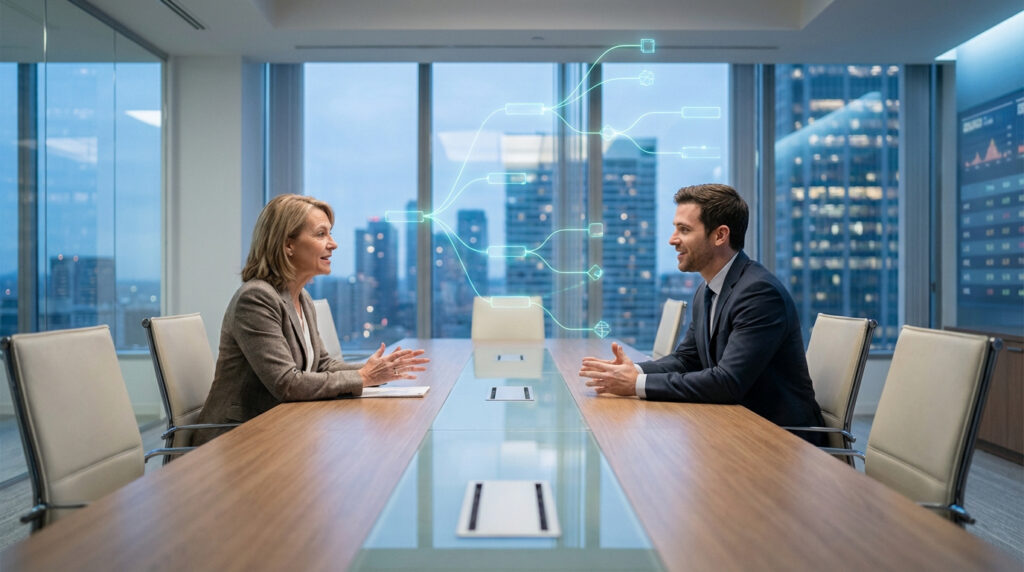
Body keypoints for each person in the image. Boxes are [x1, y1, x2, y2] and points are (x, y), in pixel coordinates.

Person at [578, 183, 825, 444]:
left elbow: (728, 382)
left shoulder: (759, 293)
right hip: (733, 429)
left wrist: (635, 384)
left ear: (720, 235)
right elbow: (687, 360)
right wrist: (632, 371)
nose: (672, 239)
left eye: (684, 230)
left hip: (780, 441)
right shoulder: (707, 289)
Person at [191, 194, 429, 446]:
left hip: (281, 430)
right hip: (234, 440)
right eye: (321, 234)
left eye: (330, 234)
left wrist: (375, 371)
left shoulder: (301, 297)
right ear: (288, 245)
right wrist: (364, 377)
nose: (333, 244)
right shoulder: (256, 298)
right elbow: (287, 383)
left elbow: (322, 365)